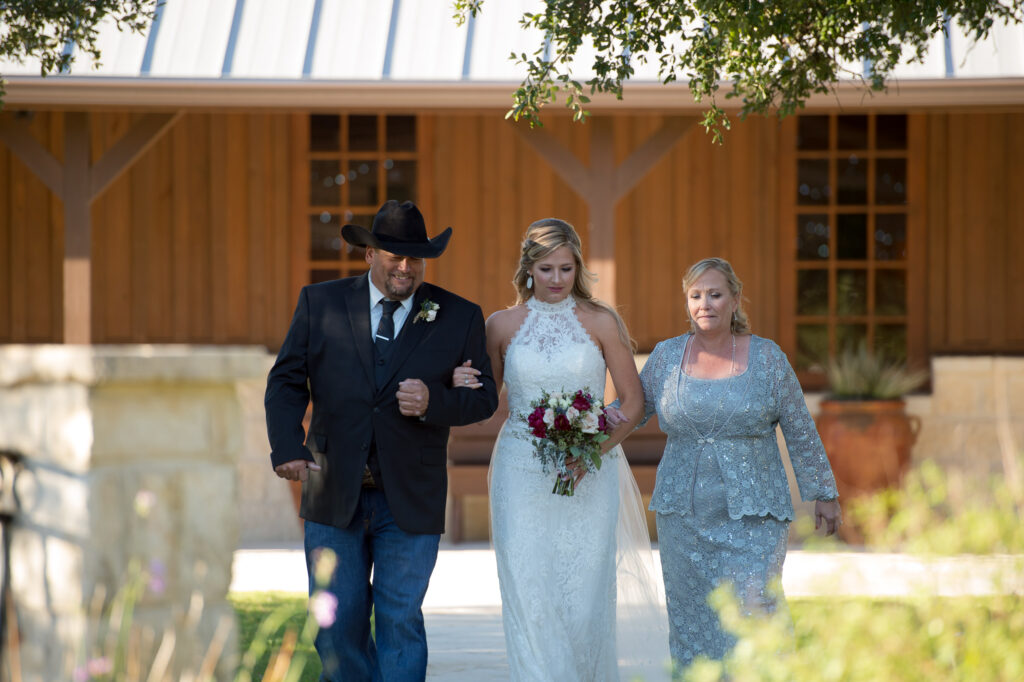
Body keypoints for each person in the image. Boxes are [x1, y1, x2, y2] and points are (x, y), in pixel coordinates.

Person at [265, 200, 499, 681]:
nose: (406, 267)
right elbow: (286, 380)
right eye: (394, 255)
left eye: (415, 257)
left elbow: (483, 400)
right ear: (369, 254)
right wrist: (287, 446)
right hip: (332, 491)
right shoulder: (320, 302)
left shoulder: (460, 315)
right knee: (336, 627)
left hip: (411, 494)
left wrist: (435, 399)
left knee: (400, 620)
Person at [453, 218, 667, 681]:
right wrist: (458, 383)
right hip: (520, 471)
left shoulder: (601, 322)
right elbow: (486, 402)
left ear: (578, 269)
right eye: (546, 268)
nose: (555, 279)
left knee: (584, 599)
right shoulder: (500, 325)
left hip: (589, 473)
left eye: (566, 269)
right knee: (529, 592)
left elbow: (632, 403)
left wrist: (592, 452)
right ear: (528, 269)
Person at [629, 256, 841, 672]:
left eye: (715, 294)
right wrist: (580, 426)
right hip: (684, 516)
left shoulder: (768, 358)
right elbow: (631, 409)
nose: (704, 303)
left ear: (735, 299)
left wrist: (823, 492)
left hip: (755, 513)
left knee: (757, 610)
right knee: (693, 621)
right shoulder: (667, 356)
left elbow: (799, 428)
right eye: (695, 295)